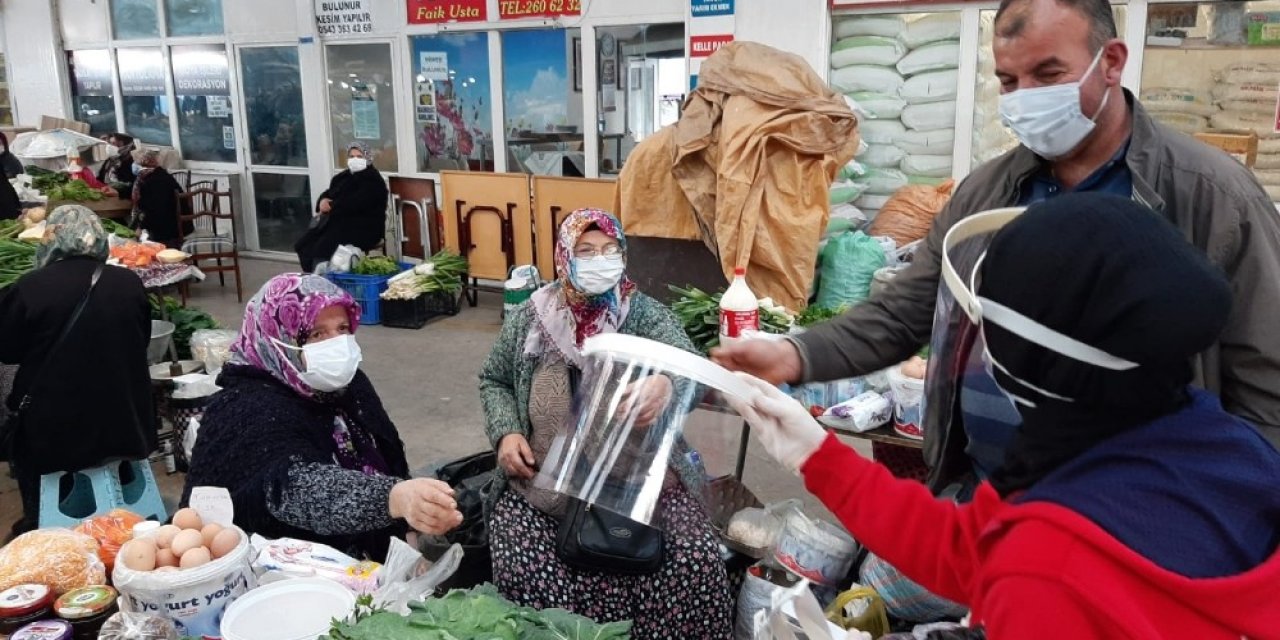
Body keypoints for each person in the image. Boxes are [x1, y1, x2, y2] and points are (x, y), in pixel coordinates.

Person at [730, 194, 1280, 639]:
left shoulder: (1049, 571)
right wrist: (818, 456)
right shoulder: (1217, 444)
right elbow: (970, 548)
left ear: (1036, 361)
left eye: (988, 332)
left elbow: (1025, 564)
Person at [479, 208, 733, 639]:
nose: (600, 260)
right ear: (564, 257)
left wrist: (665, 384)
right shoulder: (530, 318)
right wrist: (507, 432)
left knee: (698, 561)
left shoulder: (644, 315)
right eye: (586, 250)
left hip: (640, 491)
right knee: (525, 567)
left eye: (609, 250)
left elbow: (690, 368)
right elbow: (495, 380)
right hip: (543, 491)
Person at [181, 274, 462, 561]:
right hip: (282, 571)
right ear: (277, 338)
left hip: (361, 562)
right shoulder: (244, 408)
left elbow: (384, 456)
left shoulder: (348, 386)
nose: (336, 344)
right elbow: (293, 487)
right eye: (316, 334)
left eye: (343, 328)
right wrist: (391, 498)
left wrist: (408, 514)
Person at [0, 205, 155, 537]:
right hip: (128, 420)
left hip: (56, 433)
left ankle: (39, 522)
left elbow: (8, 350)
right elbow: (142, 339)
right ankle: (128, 506)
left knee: (19, 429)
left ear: (50, 239)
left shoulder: (29, 288)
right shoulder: (128, 283)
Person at [294, 141, 389, 272]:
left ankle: (323, 277)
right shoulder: (343, 177)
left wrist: (331, 205)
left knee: (324, 245)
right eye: (351, 156)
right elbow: (329, 193)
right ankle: (313, 273)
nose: (355, 159)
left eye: (359, 156)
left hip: (364, 227)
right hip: (338, 222)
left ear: (367, 158)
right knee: (305, 243)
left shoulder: (373, 180)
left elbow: (356, 203)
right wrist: (322, 201)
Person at [129, 147, 188, 248]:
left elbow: (155, 208)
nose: (134, 165)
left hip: (169, 228)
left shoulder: (155, 180)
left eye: (136, 162)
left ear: (145, 162)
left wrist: (141, 227)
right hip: (167, 223)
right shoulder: (152, 175)